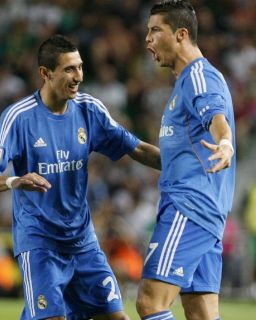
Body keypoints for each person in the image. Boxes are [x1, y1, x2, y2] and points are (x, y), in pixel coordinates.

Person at [0, 34, 161, 320]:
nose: (78, 76)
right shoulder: (18, 117)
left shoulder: (89, 109)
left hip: (83, 242)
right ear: (45, 73)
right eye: (69, 69)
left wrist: (181, 166)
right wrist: (15, 180)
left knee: (117, 317)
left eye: (80, 67)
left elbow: (135, 147)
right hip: (40, 244)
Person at [136, 1, 236, 320]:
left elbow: (217, 118)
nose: (147, 39)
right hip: (205, 212)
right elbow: (173, 157)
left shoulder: (198, 76)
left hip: (189, 207)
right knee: (201, 313)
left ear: (180, 34)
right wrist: (123, 144)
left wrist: (225, 143)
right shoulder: (184, 83)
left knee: (151, 302)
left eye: (155, 30)